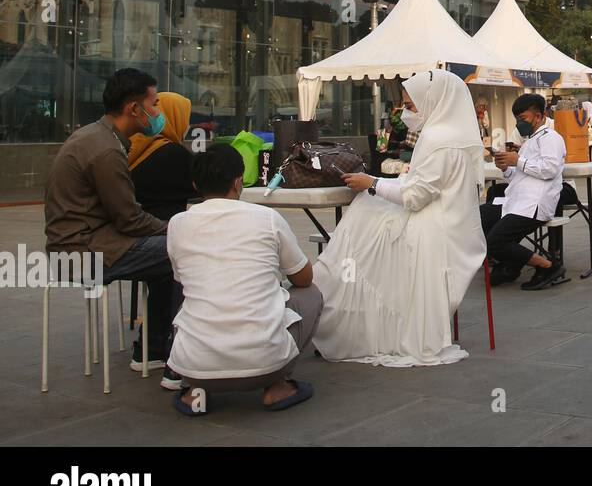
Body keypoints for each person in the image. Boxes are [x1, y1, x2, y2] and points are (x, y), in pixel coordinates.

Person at [319, 70, 488, 364]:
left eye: (411, 105)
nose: (407, 112)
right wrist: (376, 184)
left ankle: (334, 307)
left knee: (359, 221)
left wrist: (371, 184)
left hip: (433, 229)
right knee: (366, 214)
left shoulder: (437, 138)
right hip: (456, 226)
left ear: (433, 101)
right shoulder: (457, 135)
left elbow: (415, 197)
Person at [44, 68, 182, 389]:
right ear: (134, 109)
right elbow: (130, 220)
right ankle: (176, 355)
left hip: (77, 244)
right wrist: (176, 229)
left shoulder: (97, 136)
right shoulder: (106, 149)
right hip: (83, 252)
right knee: (181, 252)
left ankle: (154, 346)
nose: (159, 111)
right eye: (155, 103)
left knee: (169, 257)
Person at [167, 145, 321, 415]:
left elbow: (181, 280)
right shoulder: (267, 218)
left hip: (195, 366)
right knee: (310, 294)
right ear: (238, 182)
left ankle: (196, 392)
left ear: (195, 184)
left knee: (189, 302)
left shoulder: (177, 224)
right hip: (264, 363)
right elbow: (304, 277)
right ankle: (277, 386)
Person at [477, 93, 568, 291]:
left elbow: (549, 169)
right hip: (517, 202)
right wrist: (505, 168)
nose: (519, 124)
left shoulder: (550, 138)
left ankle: (548, 266)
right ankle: (511, 263)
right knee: (479, 217)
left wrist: (517, 160)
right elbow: (518, 176)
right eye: (517, 119)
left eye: (523, 119)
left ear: (539, 116)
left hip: (534, 205)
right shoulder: (529, 142)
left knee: (494, 241)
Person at [128, 92, 195, 222]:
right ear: (176, 117)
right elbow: (208, 184)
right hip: (159, 229)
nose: (187, 125)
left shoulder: (135, 143)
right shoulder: (173, 154)